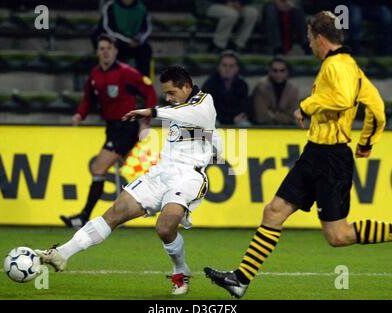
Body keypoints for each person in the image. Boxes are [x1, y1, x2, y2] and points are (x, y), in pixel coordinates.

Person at [204, 11, 390, 299]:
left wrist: (307, 105)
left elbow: (341, 99)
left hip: (330, 158)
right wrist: (366, 141)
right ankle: (240, 279)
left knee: (337, 236)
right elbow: (376, 107)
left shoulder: (335, 66)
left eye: (309, 38)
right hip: (316, 153)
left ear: (320, 38)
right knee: (274, 211)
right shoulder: (350, 66)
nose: (308, 43)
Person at [36, 65, 221, 295]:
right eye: (165, 93)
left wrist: (152, 112)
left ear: (187, 87)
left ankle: (180, 270)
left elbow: (193, 115)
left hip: (188, 177)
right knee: (116, 211)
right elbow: (207, 132)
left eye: (172, 92)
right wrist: (215, 146)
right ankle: (61, 253)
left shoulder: (205, 101)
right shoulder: (178, 107)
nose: (167, 97)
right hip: (161, 172)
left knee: (164, 228)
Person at [60, 34, 157, 229]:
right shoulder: (95, 75)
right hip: (112, 128)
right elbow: (88, 99)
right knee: (141, 170)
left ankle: (84, 217)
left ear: (115, 51)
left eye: (108, 48)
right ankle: (160, 205)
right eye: (101, 48)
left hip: (127, 127)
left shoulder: (127, 72)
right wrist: (80, 115)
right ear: (97, 51)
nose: (105, 51)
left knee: (98, 168)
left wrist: (145, 120)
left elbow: (150, 92)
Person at [92, 0, 153, 76]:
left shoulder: (142, 7)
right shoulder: (110, 6)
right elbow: (107, 28)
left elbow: (147, 28)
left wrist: (138, 39)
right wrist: (127, 41)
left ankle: (143, 83)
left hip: (136, 42)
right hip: (117, 42)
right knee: (109, 48)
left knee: (146, 50)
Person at [202, 50, 250, 125]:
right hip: (216, 119)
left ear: (237, 69)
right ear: (219, 67)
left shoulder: (242, 85)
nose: (227, 69)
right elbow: (209, 110)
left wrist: (239, 116)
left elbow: (243, 107)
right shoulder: (210, 84)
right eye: (224, 65)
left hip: (236, 119)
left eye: (231, 66)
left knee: (245, 125)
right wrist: (230, 119)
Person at [250, 57, 299, 125]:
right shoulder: (261, 87)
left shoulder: (293, 89)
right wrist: (282, 116)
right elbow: (261, 116)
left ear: (287, 71)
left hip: (287, 125)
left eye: (282, 70)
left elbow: (291, 116)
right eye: (275, 70)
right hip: (263, 126)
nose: (278, 73)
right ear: (269, 71)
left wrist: (273, 115)